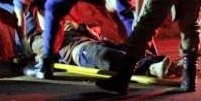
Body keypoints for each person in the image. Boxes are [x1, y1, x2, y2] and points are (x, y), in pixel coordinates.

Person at [29, 20, 181, 79]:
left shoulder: (70, 27)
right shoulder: (39, 39)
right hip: (80, 50)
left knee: (128, 48)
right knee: (105, 56)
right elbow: (47, 53)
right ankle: (152, 68)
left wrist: (80, 27)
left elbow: (96, 33)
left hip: (99, 42)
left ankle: (163, 63)